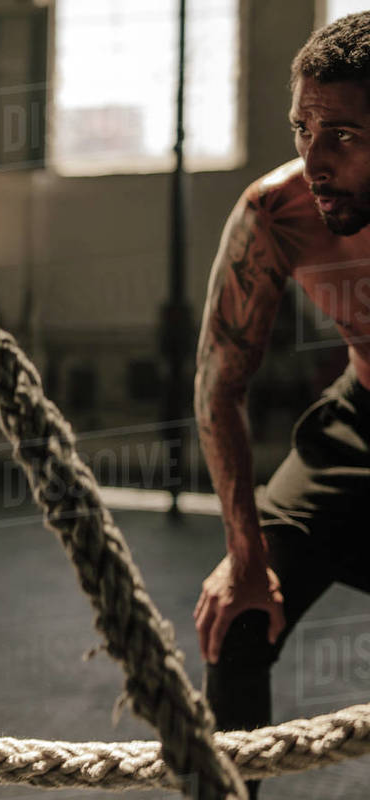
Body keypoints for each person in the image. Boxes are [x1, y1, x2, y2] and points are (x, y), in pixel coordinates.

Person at [192, 12, 370, 799]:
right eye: (302, 127)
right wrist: (246, 555)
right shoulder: (278, 213)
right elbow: (219, 387)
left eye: (344, 135)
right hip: (358, 423)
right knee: (236, 622)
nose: (315, 158)